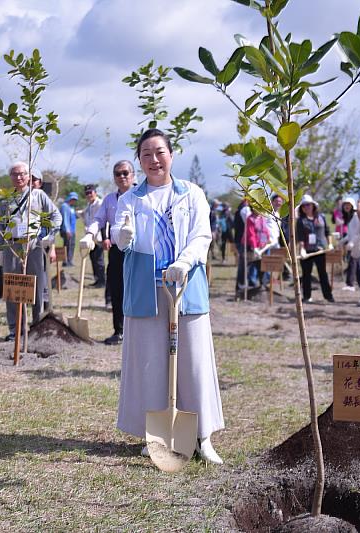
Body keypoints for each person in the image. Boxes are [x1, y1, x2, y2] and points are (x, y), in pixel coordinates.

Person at [112, 128, 224, 464]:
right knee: (149, 362)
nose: (153, 159)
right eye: (146, 154)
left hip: (185, 284)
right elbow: (119, 235)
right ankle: (155, 434)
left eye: (159, 152)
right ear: (139, 161)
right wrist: (124, 234)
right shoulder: (129, 198)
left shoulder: (191, 193)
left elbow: (202, 234)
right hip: (145, 287)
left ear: (171, 155)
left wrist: (184, 262)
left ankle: (202, 436)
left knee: (193, 360)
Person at [0, 162, 62, 342]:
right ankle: (15, 329)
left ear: (28, 176)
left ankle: (36, 326)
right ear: (10, 177)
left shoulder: (38, 195)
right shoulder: (5, 200)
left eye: (22, 174)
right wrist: (1, 248)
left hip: (33, 246)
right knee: (12, 287)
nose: (18, 177)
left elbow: (56, 216)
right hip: (12, 247)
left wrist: (48, 235)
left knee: (36, 286)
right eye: (14, 174)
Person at [80, 160, 135, 345]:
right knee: (117, 290)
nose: (122, 177)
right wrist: (90, 234)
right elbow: (99, 219)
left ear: (133, 175)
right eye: (118, 174)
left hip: (139, 251)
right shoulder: (110, 199)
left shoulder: (142, 195)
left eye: (125, 173)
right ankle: (119, 331)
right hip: (117, 250)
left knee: (137, 291)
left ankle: (138, 332)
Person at [296, 194, 334, 303]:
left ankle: (328, 296)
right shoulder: (301, 220)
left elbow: (327, 232)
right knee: (306, 274)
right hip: (307, 251)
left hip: (320, 249)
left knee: (323, 273)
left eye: (308, 205)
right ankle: (307, 296)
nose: (306, 207)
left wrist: (329, 244)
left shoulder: (321, 217)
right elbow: (301, 236)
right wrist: (302, 249)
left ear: (313, 206)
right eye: (304, 206)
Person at [83, 184, 105, 288]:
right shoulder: (88, 206)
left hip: (99, 236)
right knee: (93, 259)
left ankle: (102, 281)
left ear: (95, 193)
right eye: (87, 193)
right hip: (90, 237)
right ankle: (97, 279)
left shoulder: (100, 204)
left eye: (90, 192)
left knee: (99, 260)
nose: (89, 195)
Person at [59, 192, 78, 267]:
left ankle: (70, 260)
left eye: (75, 200)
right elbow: (65, 219)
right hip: (67, 231)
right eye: (73, 199)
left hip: (72, 230)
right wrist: (67, 230)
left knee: (72, 245)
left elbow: (74, 216)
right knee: (67, 245)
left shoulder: (71, 207)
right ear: (69, 198)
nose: (74, 201)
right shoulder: (65, 206)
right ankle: (65, 262)